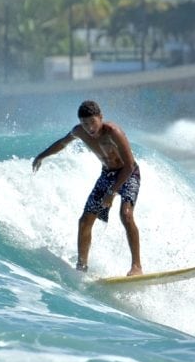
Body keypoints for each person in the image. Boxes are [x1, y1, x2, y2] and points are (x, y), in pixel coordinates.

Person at [32, 100, 143, 276]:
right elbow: (62, 143)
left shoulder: (114, 132)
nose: (89, 127)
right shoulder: (79, 132)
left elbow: (129, 166)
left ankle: (136, 266)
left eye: (92, 122)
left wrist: (112, 192)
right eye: (85, 123)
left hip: (128, 174)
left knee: (126, 214)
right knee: (84, 221)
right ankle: (81, 266)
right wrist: (41, 156)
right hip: (107, 175)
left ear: (100, 117)